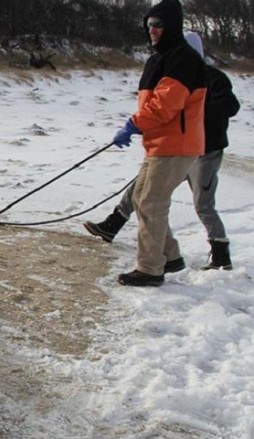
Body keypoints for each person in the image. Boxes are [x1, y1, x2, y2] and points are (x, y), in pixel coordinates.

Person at [84, 31, 240, 273]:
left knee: (202, 204)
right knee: (143, 191)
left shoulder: (213, 77)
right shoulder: (171, 74)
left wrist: (192, 114)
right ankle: (114, 225)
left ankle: (220, 255)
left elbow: (230, 106)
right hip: (173, 147)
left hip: (205, 152)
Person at [99, 0, 207, 287]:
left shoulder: (182, 58)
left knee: (151, 202)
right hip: (160, 143)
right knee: (141, 199)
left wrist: (134, 124)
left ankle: (150, 269)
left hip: (177, 144)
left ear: (171, 27)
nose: (153, 30)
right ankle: (169, 257)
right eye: (149, 25)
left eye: (158, 25)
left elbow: (165, 106)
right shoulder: (161, 57)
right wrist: (139, 127)